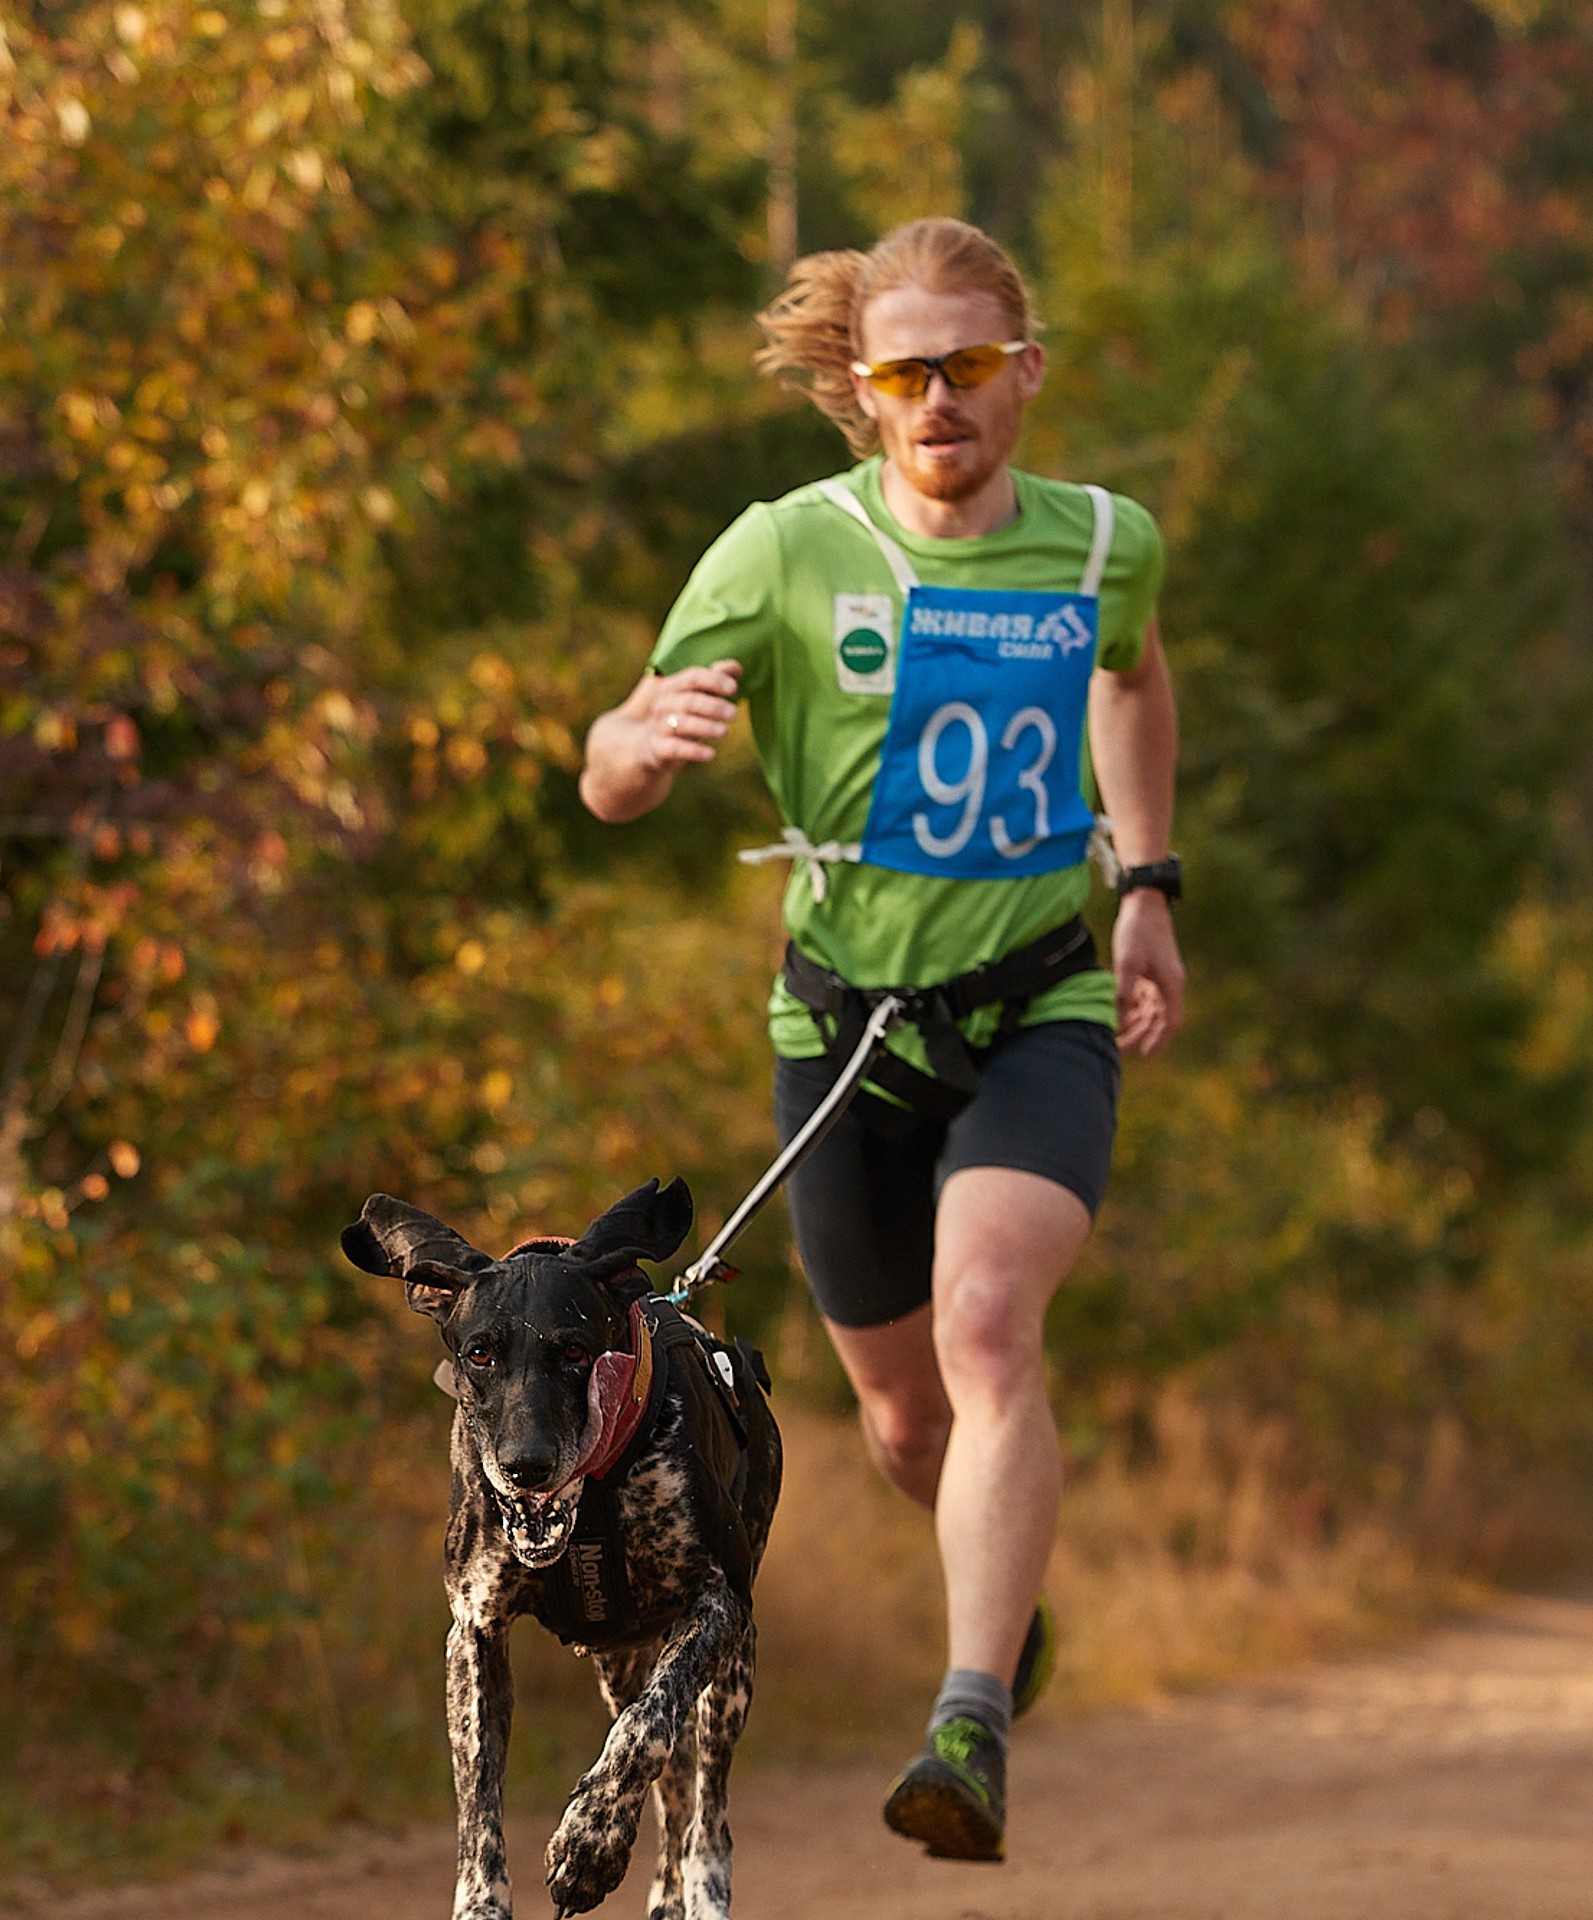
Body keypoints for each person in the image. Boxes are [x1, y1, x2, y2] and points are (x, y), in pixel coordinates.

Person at [578, 217, 1184, 1864]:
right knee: (908, 1427)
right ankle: (1012, 1605)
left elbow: (1132, 682)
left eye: (970, 367)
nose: (939, 401)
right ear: (862, 389)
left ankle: (967, 1718)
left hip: (1038, 1005)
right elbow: (611, 771)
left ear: (1025, 376)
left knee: (993, 1322)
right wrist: (642, 737)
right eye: (907, 373)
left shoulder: (1099, 543)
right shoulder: (782, 550)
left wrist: (1146, 884)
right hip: (846, 1032)